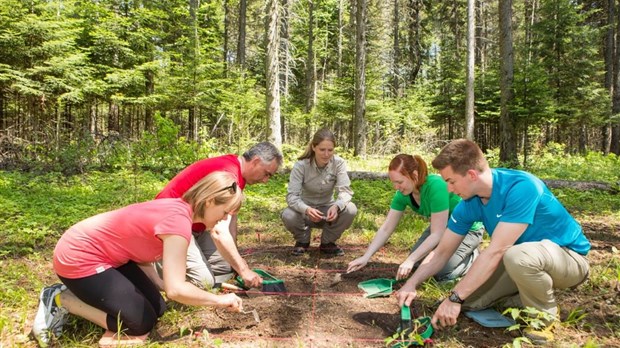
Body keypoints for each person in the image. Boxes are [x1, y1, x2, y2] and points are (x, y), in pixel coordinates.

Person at [395, 139, 590, 344]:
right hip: (517, 260)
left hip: (568, 259)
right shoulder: (470, 202)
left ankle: (543, 320)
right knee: (469, 301)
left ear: (471, 175)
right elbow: (442, 252)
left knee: (515, 257)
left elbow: (496, 250)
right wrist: (412, 283)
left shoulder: (522, 187)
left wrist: (454, 298)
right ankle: (522, 294)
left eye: (451, 181)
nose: (449, 189)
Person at [32, 171, 245, 347]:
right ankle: (62, 299)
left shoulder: (180, 209)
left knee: (158, 308)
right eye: (225, 212)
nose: (225, 219)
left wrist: (159, 283)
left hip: (108, 256)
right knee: (139, 324)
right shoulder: (178, 223)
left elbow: (141, 251)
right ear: (209, 202)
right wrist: (219, 300)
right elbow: (177, 290)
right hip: (79, 257)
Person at [156, 142, 283, 289]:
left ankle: (183, 266)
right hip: (171, 222)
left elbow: (230, 221)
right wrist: (244, 270)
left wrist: (237, 261)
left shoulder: (237, 172)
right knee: (204, 281)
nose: (265, 180)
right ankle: (158, 270)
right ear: (255, 162)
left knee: (223, 268)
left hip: (196, 225)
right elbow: (219, 231)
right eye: (266, 173)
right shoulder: (228, 173)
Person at [346, 154, 483, 281]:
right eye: (393, 182)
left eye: (399, 182)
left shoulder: (436, 186)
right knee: (418, 266)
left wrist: (410, 259)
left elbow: (437, 233)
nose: (396, 187)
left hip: (467, 228)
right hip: (441, 226)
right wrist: (366, 256)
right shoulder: (403, 194)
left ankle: (473, 259)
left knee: (439, 273)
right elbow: (386, 228)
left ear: (414, 175)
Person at [281, 128, 357, 256]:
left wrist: (337, 206)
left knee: (351, 209)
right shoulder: (301, 166)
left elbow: (345, 191)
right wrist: (306, 209)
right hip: (305, 212)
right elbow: (292, 196)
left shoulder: (339, 163)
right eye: (322, 149)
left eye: (330, 150)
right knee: (288, 214)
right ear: (314, 147)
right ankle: (302, 241)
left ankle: (328, 243)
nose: (326, 154)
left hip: (328, 212)